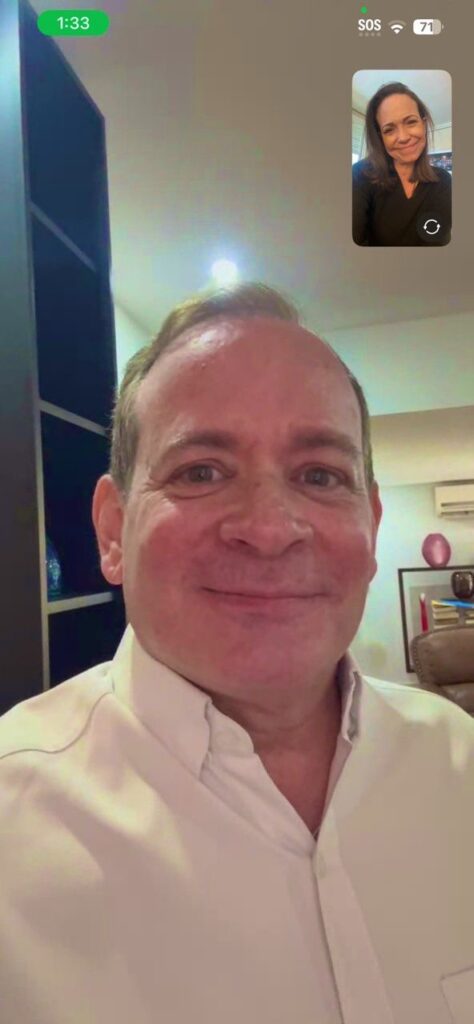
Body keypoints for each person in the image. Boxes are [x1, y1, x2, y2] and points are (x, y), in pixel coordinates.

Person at [0, 282, 473, 1024]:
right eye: (201, 471)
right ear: (112, 531)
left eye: (320, 475)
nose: (270, 528)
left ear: (372, 526)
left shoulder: (459, 759)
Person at [353, 81, 452, 246]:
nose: (403, 137)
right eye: (389, 130)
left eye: (411, 122)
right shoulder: (359, 175)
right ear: (381, 138)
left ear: (423, 124)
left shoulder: (444, 180)